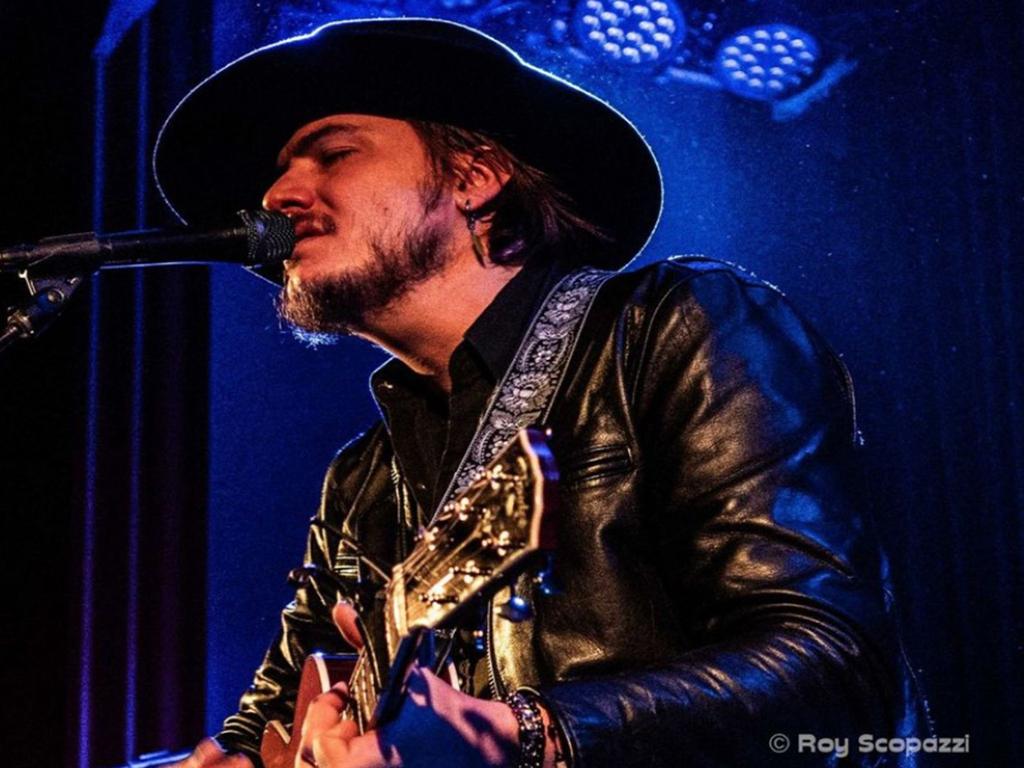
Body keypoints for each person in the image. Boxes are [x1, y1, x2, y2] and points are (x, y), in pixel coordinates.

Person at [154, 18, 920, 768]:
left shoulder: (674, 329)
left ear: (475, 178)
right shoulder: (360, 483)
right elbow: (259, 730)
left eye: (334, 154)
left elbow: (839, 670)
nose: (278, 195)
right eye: (281, 171)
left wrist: (531, 735)